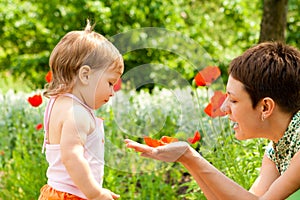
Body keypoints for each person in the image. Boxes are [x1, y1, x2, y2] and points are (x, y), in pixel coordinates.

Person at [125, 41, 300, 200]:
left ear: (265, 107)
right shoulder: (277, 149)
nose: (224, 108)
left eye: (233, 100)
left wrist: (191, 157)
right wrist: (188, 159)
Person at [38, 20, 124, 200]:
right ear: (85, 75)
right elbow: (72, 157)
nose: (112, 92)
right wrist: (95, 193)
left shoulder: (58, 102)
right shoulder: (77, 113)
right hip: (72, 196)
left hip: (55, 191)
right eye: (110, 83)